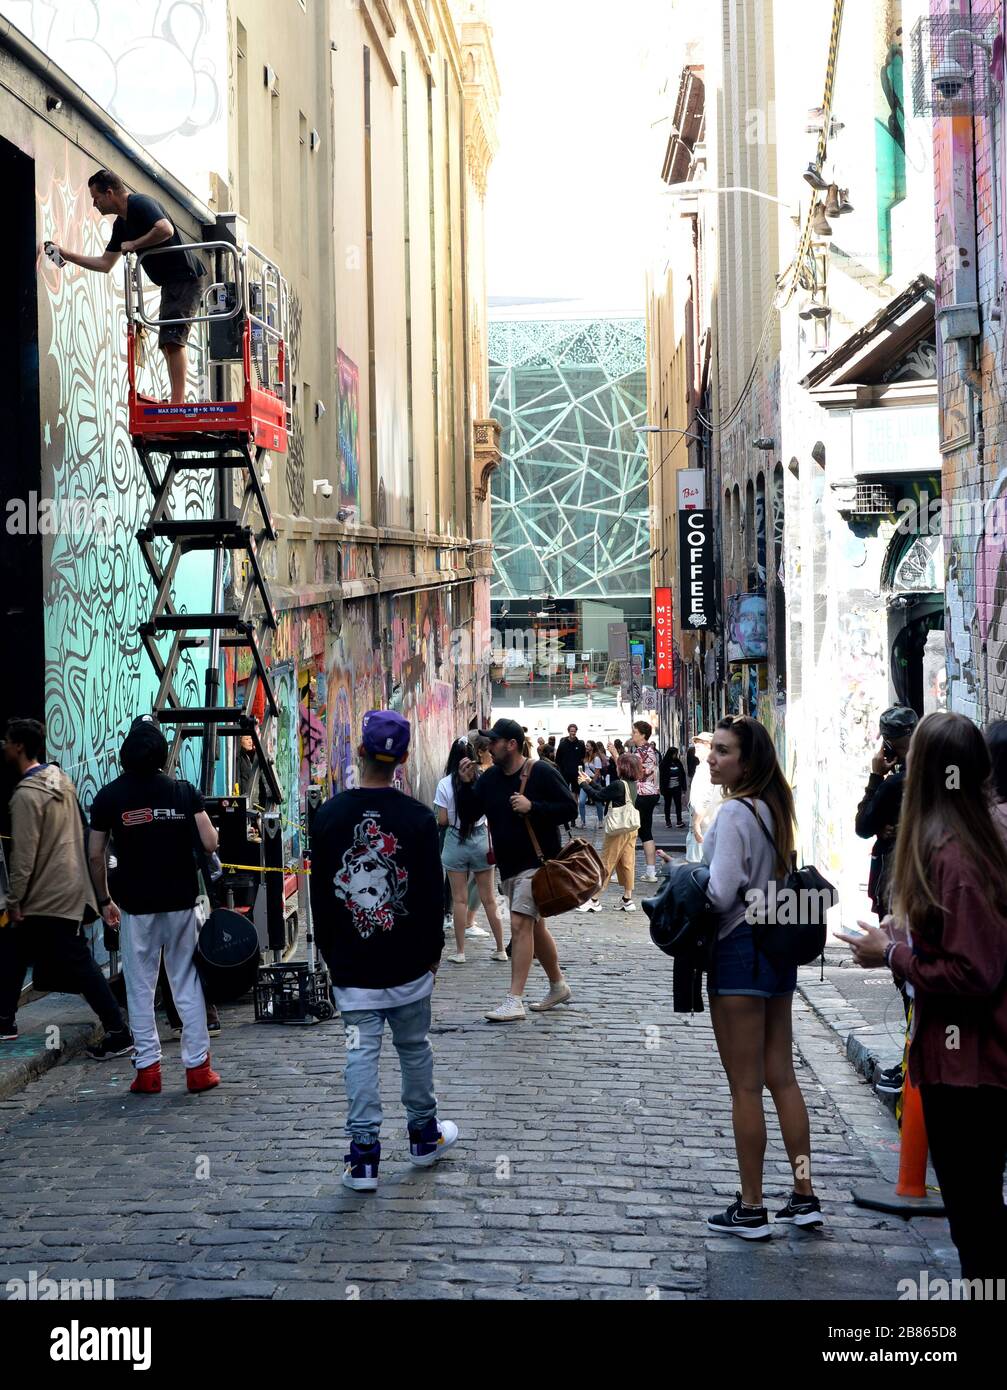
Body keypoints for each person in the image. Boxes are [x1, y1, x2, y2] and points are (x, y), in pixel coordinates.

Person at [841, 713, 1007, 1282]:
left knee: (976, 1218)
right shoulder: (958, 843)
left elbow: (973, 970)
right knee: (976, 1217)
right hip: (959, 1062)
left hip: (971, 1071)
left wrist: (891, 953)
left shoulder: (956, 855)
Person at [310, 710, 456, 1192]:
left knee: (359, 1055)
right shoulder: (416, 818)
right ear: (404, 759)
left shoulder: (328, 816)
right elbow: (434, 895)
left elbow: (320, 897)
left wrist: (332, 955)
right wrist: (433, 952)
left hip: (353, 968)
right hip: (410, 965)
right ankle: (421, 1137)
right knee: (415, 1050)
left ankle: (364, 1158)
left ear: (359, 753)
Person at [702, 715, 822, 1239]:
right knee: (783, 1078)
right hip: (776, 947)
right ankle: (803, 1194)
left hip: (738, 951)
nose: (713, 758)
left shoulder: (733, 813)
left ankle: (752, 1206)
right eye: (714, 750)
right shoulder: (776, 808)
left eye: (724, 752)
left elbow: (722, 892)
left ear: (746, 763)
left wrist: (687, 886)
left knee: (745, 1088)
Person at [88, 716, 220, 1094]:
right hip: (180, 904)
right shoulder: (182, 791)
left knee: (140, 987)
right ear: (163, 754)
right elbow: (210, 843)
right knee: (187, 983)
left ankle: (148, 1072)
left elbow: (96, 855)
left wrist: (104, 899)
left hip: (135, 908)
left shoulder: (109, 797)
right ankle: (198, 1070)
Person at [0, 718, 132, 1057]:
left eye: (7, 741)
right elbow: (80, 835)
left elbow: (23, 854)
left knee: (79, 966)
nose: (3, 746)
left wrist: (14, 898)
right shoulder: (64, 782)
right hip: (67, 890)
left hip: (43, 896)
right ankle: (4, 1019)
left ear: (18, 747)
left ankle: (118, 1029)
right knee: (16, 954)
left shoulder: (26, 795)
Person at [47, 169, 207, 404]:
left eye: (96, 198)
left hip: (185, 276)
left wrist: (135, 243)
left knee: (173, 340)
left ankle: (177, 403)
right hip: (171, 282)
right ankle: (177, 400)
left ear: (109, 193)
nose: (95, 204)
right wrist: (67, 255)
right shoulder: (121, 225)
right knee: (167, 342)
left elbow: (165, 229)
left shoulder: (140, 203)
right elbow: (105, 264)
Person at [457, 718, 577, 1022]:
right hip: (509, 867)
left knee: (521, 923)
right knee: (535, 926)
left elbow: (569, 808)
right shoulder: (490, 778)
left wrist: (532, 807)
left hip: (536, 864)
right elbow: (470, 814)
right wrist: (467, 784)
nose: (488, 747)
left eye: (493, 742)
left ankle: (514, 999)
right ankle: (558, 985)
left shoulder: (541, 771)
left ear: (511, 744)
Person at [854, 704, 918, 1096]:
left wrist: (876, 777)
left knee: (906, 976)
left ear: (890, 742)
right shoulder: (938, 778)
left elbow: (863, 826)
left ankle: (913, 1058)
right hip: (926, 885)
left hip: (897, 883)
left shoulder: (895, 784)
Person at [434, 738, 507, 965]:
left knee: (459, 900)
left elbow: (443, 820)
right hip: (480, 841)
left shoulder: (445, 784)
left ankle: (460, 952)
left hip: (455, 841)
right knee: (489, 899)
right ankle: (500, 948)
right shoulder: (483, 780)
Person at [576, 752, 642, 913]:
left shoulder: (619, 784)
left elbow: (598, 796)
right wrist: (590, 780)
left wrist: (583, 784)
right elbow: (606, 792)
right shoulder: (631, 784)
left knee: (606, 862)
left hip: (617, 830)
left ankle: (594, 900)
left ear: (623, 767)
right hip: (630, 829)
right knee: (627, 863)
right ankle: (627, 899)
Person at [629, 721, 660, 882]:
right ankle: (651, 871)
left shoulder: (640, 751)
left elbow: (628, 772)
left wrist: (614, 753)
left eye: (634, 732)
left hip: (642, 794)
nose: (632, 735)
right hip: (652, 793)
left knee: (630, 831)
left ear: (642, 735)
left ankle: (622, 871)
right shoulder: (650, 749)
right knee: (645, 831)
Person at [685, 732, 721, 863]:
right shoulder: (703, 767)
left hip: (703, 827)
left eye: (700, 745)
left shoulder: (707, 769)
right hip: (702, 826)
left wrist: (696, 824)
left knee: (698, 868)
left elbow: (705, 800)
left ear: (710, 748)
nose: (696, 750)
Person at [556, 724, 586, 803]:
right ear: (568, 731)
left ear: (576, 731)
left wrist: (581, 772)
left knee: (575, 792)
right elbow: (558, 759)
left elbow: (583, 758)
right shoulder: (562, 744)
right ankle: (566, 810)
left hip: (576, 773)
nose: (573, 733)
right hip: (565, 773)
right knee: (564, 792)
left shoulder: (580, 744)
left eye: (574, 731)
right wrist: (561, 770)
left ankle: (575, 811)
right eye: (571, 731)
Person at [660, 745, 687, 828]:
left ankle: (679, 821)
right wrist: (662, 788)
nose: (676, 755)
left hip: (677, 787)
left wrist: (684, 787)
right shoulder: (664, 763)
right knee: (667, 805)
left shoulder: (678, 762)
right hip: (667, 788)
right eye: (675, 754)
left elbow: (682, 774)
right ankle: (668, 821)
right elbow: (662, 777)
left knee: (678, 804)